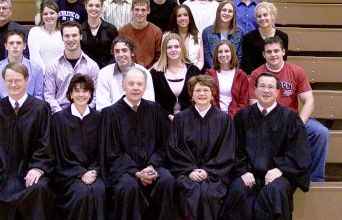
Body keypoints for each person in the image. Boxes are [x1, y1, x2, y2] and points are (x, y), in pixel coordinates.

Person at [0, 62, 55, 220]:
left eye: (18, 80)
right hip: (0, 172)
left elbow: (46, 143)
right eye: (9, 81)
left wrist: (37, 168)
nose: (13, 85)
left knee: (39, 188)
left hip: (28, 172)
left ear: (27, 80)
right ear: (4, 82)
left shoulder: (40, 109)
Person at [219, 72, 312, 220]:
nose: (266, 90)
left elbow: (298, 152)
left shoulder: (290, 118)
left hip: (279, 174)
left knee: (274, 191)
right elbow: (234, 148)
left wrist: (281, 169)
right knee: (238, 190)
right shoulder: (242, 116)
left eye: (270, 87)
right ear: (255, 90)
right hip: (248, 172)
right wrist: (242, 170)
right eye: (262, 86)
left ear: (277, 92)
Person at [249, 36, 329, 182]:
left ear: (283, 52)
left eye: (276, 51)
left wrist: (298, 124)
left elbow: (309, 101)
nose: (273, 55)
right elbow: (254, 104)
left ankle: (316, 178)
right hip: (267, 121)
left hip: (292, 120)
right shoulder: (256, 74)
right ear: (263, 54)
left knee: (320, 132)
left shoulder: (296, 71)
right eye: (269, 52)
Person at [101, 67, 175, 220]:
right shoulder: (111, 114)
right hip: (124, 171)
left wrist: (151, 166)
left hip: (151, 166)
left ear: (145, 86)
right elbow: (112, 152)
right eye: (131, 84)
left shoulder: (154, 109)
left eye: (140, 84)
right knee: (129, 186)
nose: (136, 88)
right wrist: (136, 172)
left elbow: (163, 146)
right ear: (123, 86)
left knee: (166, 180)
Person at [170, 75, 235, 220]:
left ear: (212, 94)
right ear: (191, 95)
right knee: (190, 190)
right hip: (186, 172)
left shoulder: (223, 119)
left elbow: (226, 151)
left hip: (214, 174)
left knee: (209, 193)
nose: (202, 94)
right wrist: (190, 171)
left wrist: (207, 172)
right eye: (197, 90)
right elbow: (175, 149)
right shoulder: (181, 119)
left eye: (206, 90)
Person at [52, 74, 105, 220]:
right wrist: (81, 173)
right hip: (69, 175)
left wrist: (94, 171)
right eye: (77, 90)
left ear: (90, 95)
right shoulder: (59, 119)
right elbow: (60, 154)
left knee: (99, 190)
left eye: (85, 90)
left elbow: (102, 151)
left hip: (94, 172)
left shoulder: (98, 118)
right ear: (70, 94)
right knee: (81, 193)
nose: (81, 94)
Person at [44, 21, 100, 113]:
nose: (70, 39)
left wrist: (84, 112)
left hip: (85, 115)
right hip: (60, 114)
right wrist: (61, 115)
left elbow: (96, 96)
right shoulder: (52, 66)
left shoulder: (92, 66)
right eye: (67, 36)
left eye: (74, 35)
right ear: (62, 38)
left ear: (81, 36)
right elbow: (49, 96)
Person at [96, 35, 155, 111]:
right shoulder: (104, 73)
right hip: (113, 119)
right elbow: (102, 106)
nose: (121, 55)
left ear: (132, 53)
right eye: (117, 51)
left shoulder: (144, 73)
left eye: (124, 50)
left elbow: (149, 103)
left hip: (139, 117)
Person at [150, 33, 200, 120]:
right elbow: (153, 102)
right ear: (164, 50)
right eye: (169, 47)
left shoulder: (194, 71)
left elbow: (199, 98)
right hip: (163, 121)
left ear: (182, 48)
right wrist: (168, 116)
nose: (173, 50)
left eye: (176, 46)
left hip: (190, 120)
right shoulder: (155, 73)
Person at [0, 29, 44, 102]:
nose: (15, 46)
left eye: (18, 43)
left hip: (30, 110)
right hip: (2, 110)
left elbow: (38, 97)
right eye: (11, 43)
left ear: (24, 46)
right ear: (6, 46)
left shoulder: (36, 69)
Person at [241, 2, 288, 75]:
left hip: (276, 77)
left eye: (265, 15)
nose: (262, 18)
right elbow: (246, 62)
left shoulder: (283, 36)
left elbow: (283, 60)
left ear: (272, 16)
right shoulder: (248, 37)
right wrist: (258, 77)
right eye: (259, 16)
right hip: (255, 77)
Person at [205, 40, 249, 118]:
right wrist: (219, 116)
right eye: (220, 52)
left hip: (236, 117)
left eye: (226, 51)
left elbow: (244, 102)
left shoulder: (241, 75)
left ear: (232, 53)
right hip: (214, 116)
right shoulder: (209, 74)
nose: (223, 54)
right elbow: (208, 99)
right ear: (216, 54)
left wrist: (232, 116)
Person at [118, 0, 162, 69]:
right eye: (137, 9)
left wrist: (149, 72)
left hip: (151, 73)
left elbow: (159, 58)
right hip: (128, 71)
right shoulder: (122, 32)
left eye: (143, 10)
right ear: (132, 10)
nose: (140, 13)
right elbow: (120, 56)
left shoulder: (156, 32)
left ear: (148, 10)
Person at [202, 0, 245, 69]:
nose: (227, 13)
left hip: (232, 70)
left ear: (233, 14)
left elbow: (239, 57)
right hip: (212, 71)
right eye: (224, 10)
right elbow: (207, 56)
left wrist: (231, 71)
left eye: (230, 11)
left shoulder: (240, 32)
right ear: (219, 12)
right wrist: (217, 71)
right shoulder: (207, 32)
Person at [81, 0, 118, 68]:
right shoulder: (79, 29)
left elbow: (115, 53)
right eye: (90, 5)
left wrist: (107, 71)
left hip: (106, 71)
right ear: (85, 6)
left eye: (97, 6)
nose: (94, 8)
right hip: (85, 71)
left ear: (102, 7)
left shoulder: (111, 29)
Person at [28, 0, 64, 74]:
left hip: (60, 75)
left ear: (57, 14)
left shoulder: (64, 32)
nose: (49, 16)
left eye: (52, 13)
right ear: (41, 16)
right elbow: (34, 57)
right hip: (39, 75)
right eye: (45, 14)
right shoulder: (34, 32)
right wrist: (47, 74)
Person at [166, 4, 204, 70]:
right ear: (175, 18)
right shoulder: (167, 36)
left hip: (193, 74)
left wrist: (194, 71)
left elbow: (201, 60)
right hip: (173, 72)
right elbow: (164, 59)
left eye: (185, 15)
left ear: (190, 17)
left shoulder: (197, 35)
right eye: (179, 16)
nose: (182, 18)